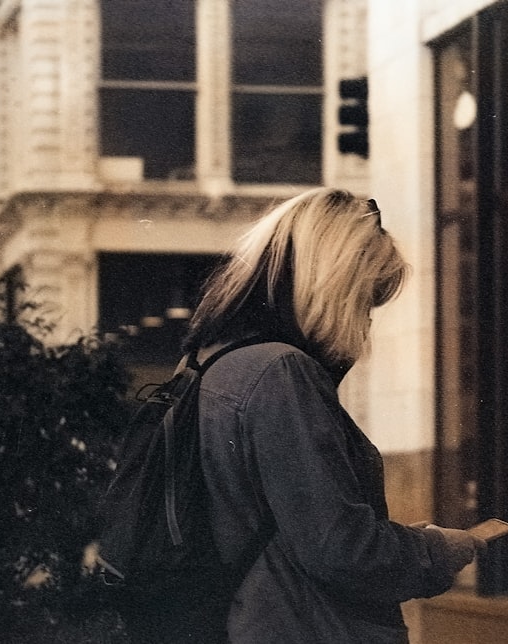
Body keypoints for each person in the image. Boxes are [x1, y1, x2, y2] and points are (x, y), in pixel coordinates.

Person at [177, 187, 486, 643]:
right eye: (365, 299)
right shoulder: (281, 374)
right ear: (335, 284)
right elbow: (340, 549)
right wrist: (438, 549)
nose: (366, 321)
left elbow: (294, 528)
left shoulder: (206, 364)